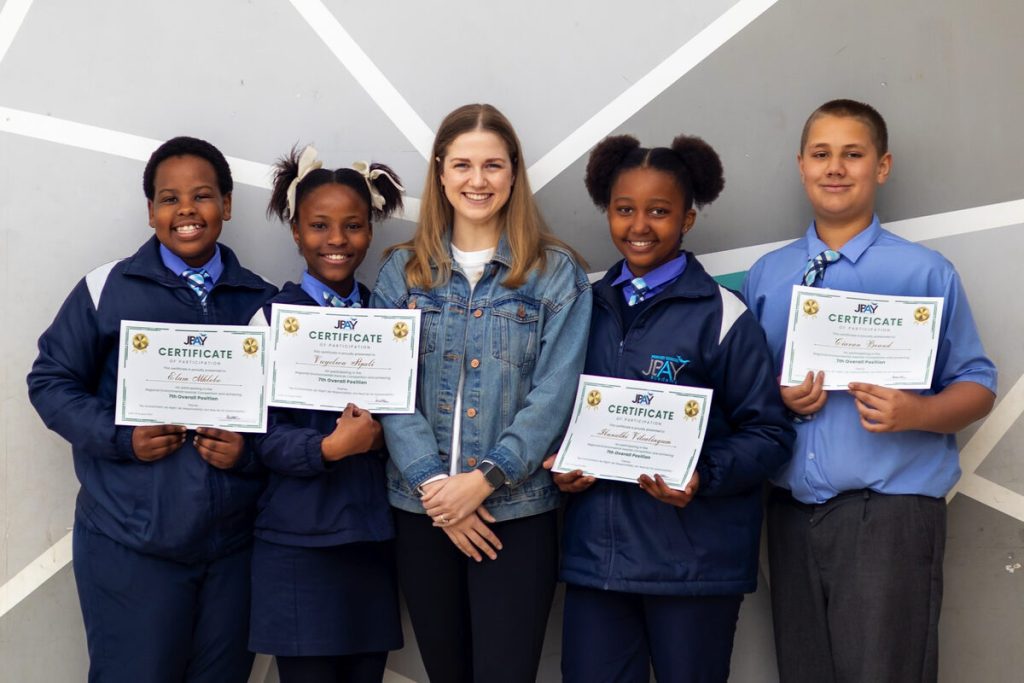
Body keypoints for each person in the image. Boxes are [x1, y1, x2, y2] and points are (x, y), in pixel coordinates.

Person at [742, 99, 998, 683]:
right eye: (822, 154)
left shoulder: (925, 272)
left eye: (852, 155)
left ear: (881, 167)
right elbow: (747, 391)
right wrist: (778, 399)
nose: (836, 167)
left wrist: (919, 410)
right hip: (789, 515)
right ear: (801, 164)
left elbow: (978, 386)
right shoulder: (769, 275)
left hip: (888, 516)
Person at [26, 136, 277, 682]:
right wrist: (122, 437)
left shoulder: (260, 302)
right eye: (169, 198)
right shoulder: (105, 290)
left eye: (203, 195)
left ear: (227, 205)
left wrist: (246, 452)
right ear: (151, 211)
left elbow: (284, 420)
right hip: (128, 543)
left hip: (232, 549)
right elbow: (50, 382)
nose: (186, 210)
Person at [545, 133, 794, 682]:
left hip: (693, 566)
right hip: (599, 563)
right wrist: (559, 464)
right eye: (624, 209)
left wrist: (703, 476)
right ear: (607, 212)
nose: (639, 226)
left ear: (688, 219)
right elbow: (556, 412)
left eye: (659, 211)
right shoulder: (581, 307)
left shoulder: (724, 316)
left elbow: (770, 434)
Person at [370, 103, 592, 682]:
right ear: (440, 172)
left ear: (514, 173)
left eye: (492, 165)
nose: (477, 180)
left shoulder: (557, 273)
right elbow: (390, 390)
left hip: (514, 513)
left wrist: (484, 479)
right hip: (423, 511)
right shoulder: (401, 273)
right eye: (463, 165)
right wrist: (438, 490)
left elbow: (555, 392)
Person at [248, 146, 405, 682]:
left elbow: (410, 417)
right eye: (319, 225)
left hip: (370, 541)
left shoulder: (390, 319)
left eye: (353, 226)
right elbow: (257, 436)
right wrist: (327, 449)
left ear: (370, 230)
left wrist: (384, 438)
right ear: (295, 232)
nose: (336, 240)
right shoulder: (270, 319)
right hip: (298, 543)